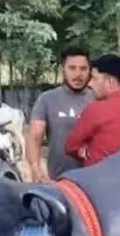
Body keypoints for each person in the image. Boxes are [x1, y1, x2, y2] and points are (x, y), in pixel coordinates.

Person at [63, 54, 120, 168]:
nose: (90, 84)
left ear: (110, 82)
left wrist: (85, 148)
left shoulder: (96, 110)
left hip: (98, 180)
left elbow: (70, 146)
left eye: (94, 78)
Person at [26, 46, 94, 180]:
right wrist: (35, 167)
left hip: (92, 179)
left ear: (90, 71)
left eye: (83, 68)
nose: (78, 74)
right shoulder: (47, 99)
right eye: (72, 68)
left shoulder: (97, 99)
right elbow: (34, 137)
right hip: (58, 179)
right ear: (63, 69)